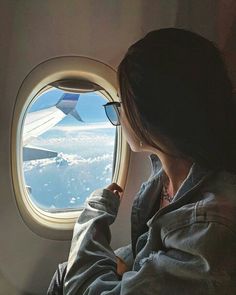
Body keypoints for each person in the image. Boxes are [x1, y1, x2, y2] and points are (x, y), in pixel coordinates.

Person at [48, 28, 236, 294]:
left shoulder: (208, 226)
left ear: (152, 113)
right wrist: (127, 265)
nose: (120, 113)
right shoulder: (166, 178)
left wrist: (94, 215)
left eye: (122, 102)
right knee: (63, 272)